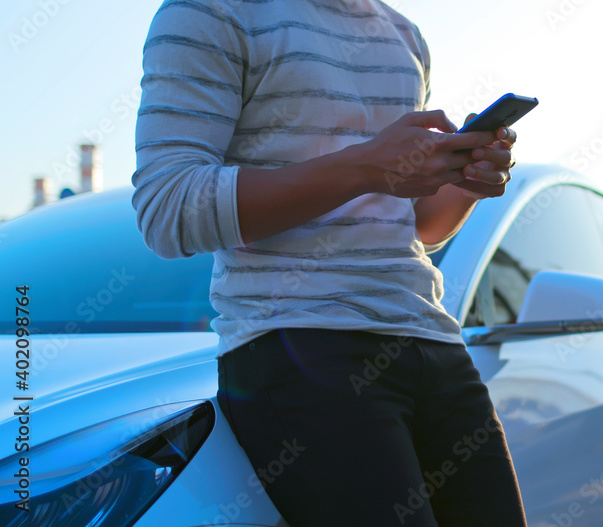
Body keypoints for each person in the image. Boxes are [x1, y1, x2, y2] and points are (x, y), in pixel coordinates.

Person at [131, 0, 527, 525]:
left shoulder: (404, 34)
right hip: (301, 345)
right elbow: (169, 208)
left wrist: (465, 181)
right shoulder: (211, 12)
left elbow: (414, 226)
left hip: (432, 339)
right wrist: (365, 167)